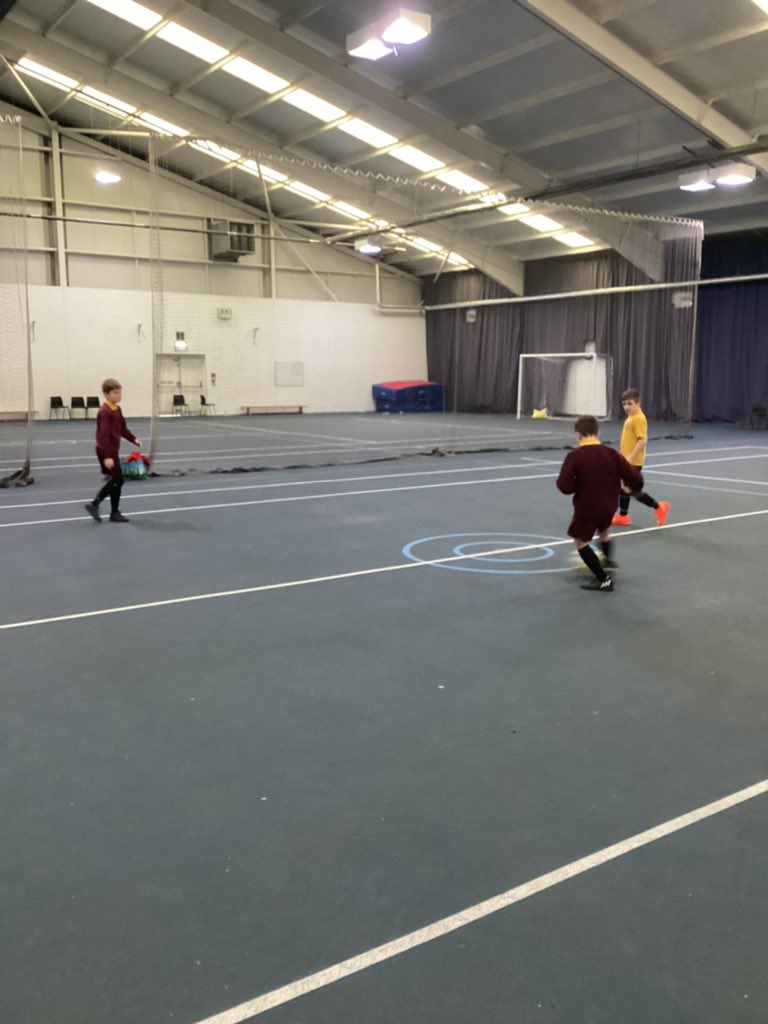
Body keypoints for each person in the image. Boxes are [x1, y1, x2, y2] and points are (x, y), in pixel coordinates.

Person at [556, 415, 644, 591]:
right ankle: (608, 561)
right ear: (598, 433)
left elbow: (564, 485)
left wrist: (576, 485)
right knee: (603, 530)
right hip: (610, 505)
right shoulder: (612, 454)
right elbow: (635, 476)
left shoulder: (574, 456)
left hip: (588, 506)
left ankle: (603, 579)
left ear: (578, 435)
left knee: (579, 541)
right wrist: (632, 489)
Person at [84, 378, 141, 524]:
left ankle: (107, 509)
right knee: (118, 480)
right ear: (106, 394)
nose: (119, 395)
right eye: (115, 393)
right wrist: (107, 456)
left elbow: (122, 428)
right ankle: (99, 506)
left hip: (112, 450)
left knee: (117, 481)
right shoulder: (105, 412)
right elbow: (103, 436)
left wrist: (133, 439)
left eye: (119, 392)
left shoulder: (117, 409)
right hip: (105, 450)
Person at [612, 388, 669, 527]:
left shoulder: (638, 418)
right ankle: (623, 516)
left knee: (629, 489)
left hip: (633, 462)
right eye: (624, 404)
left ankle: (658, 507)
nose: (627, 407)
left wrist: (630, 458)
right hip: (626, 460)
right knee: (625, 488)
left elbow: (642, 440)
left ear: (638, 403)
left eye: (630, 403)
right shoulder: (631, 416)